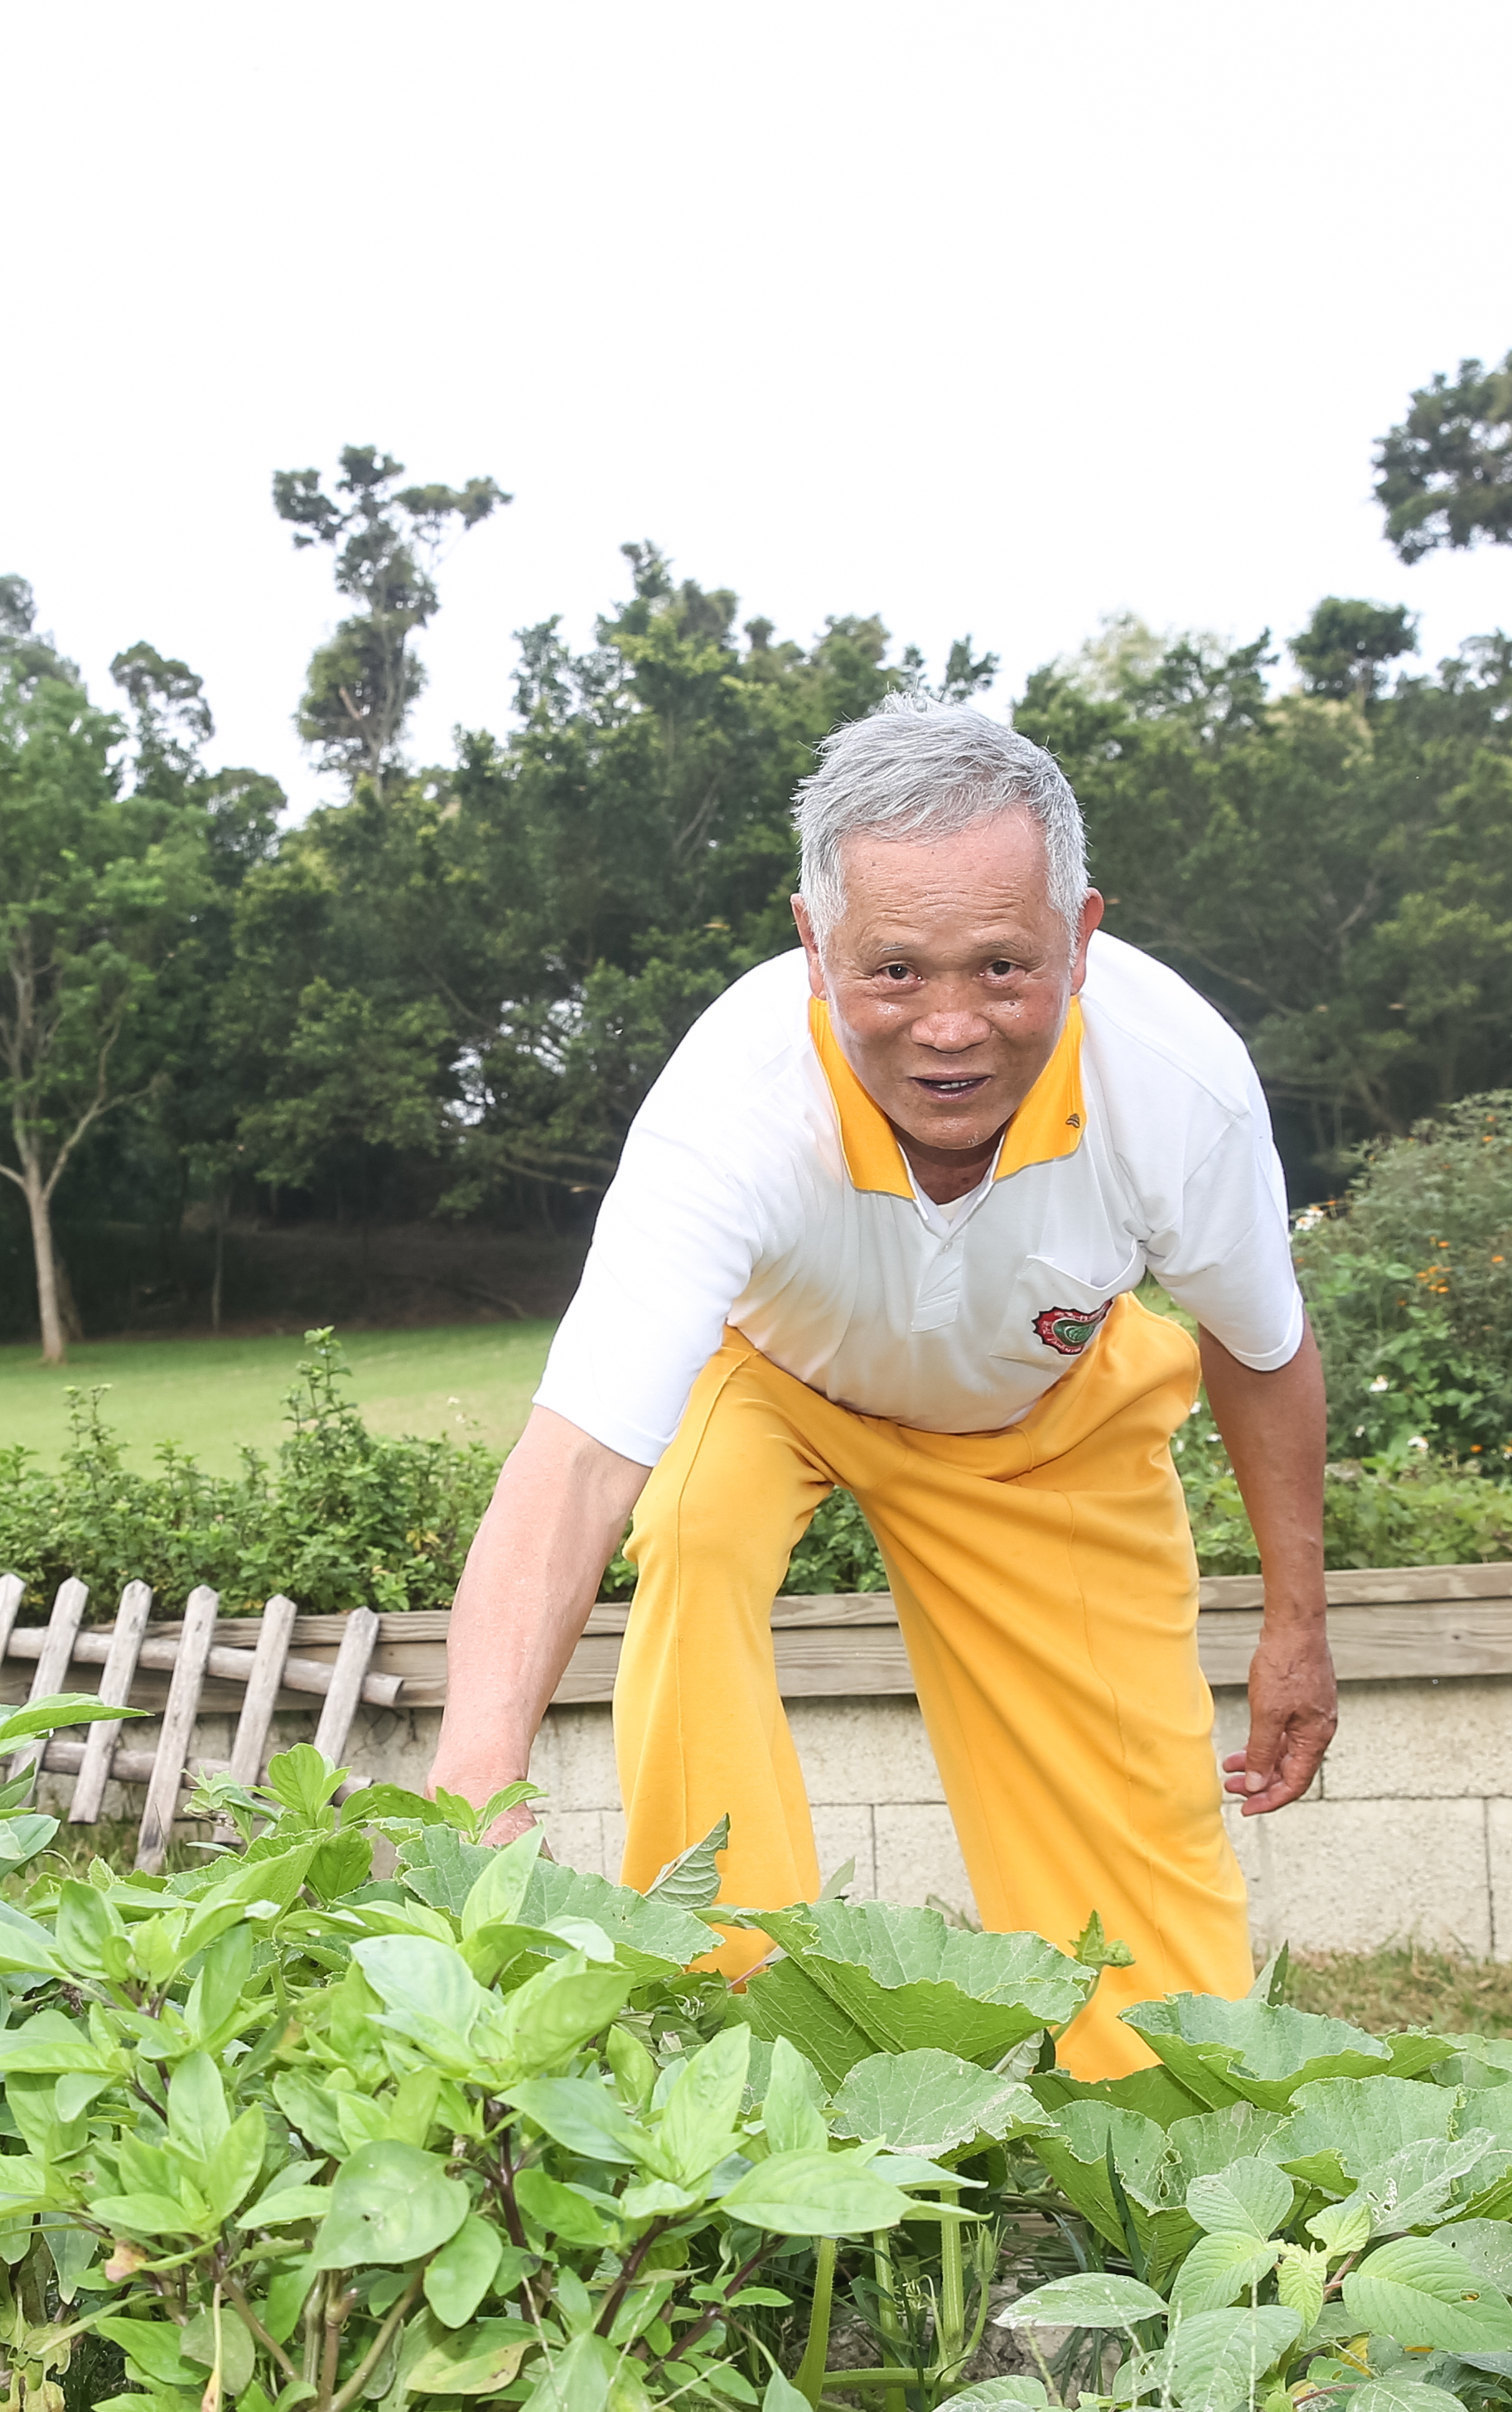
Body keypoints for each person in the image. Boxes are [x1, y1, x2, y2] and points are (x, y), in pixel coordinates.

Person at [426, 703, 1341, 2076]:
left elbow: (1262, 1350)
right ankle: (733, 2023)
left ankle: (1163, 2140)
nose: (953, 1029)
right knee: (692, 1529)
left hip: (1043, 1424)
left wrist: (1297, 1628)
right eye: (895, 971)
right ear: (813, 944)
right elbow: (578, 1459)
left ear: (1082, 937)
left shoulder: (1178, 1084)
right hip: (780, 1379)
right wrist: (474, 1777)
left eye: (1006, 968)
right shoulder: (731, 1105)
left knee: (1145, 1860)